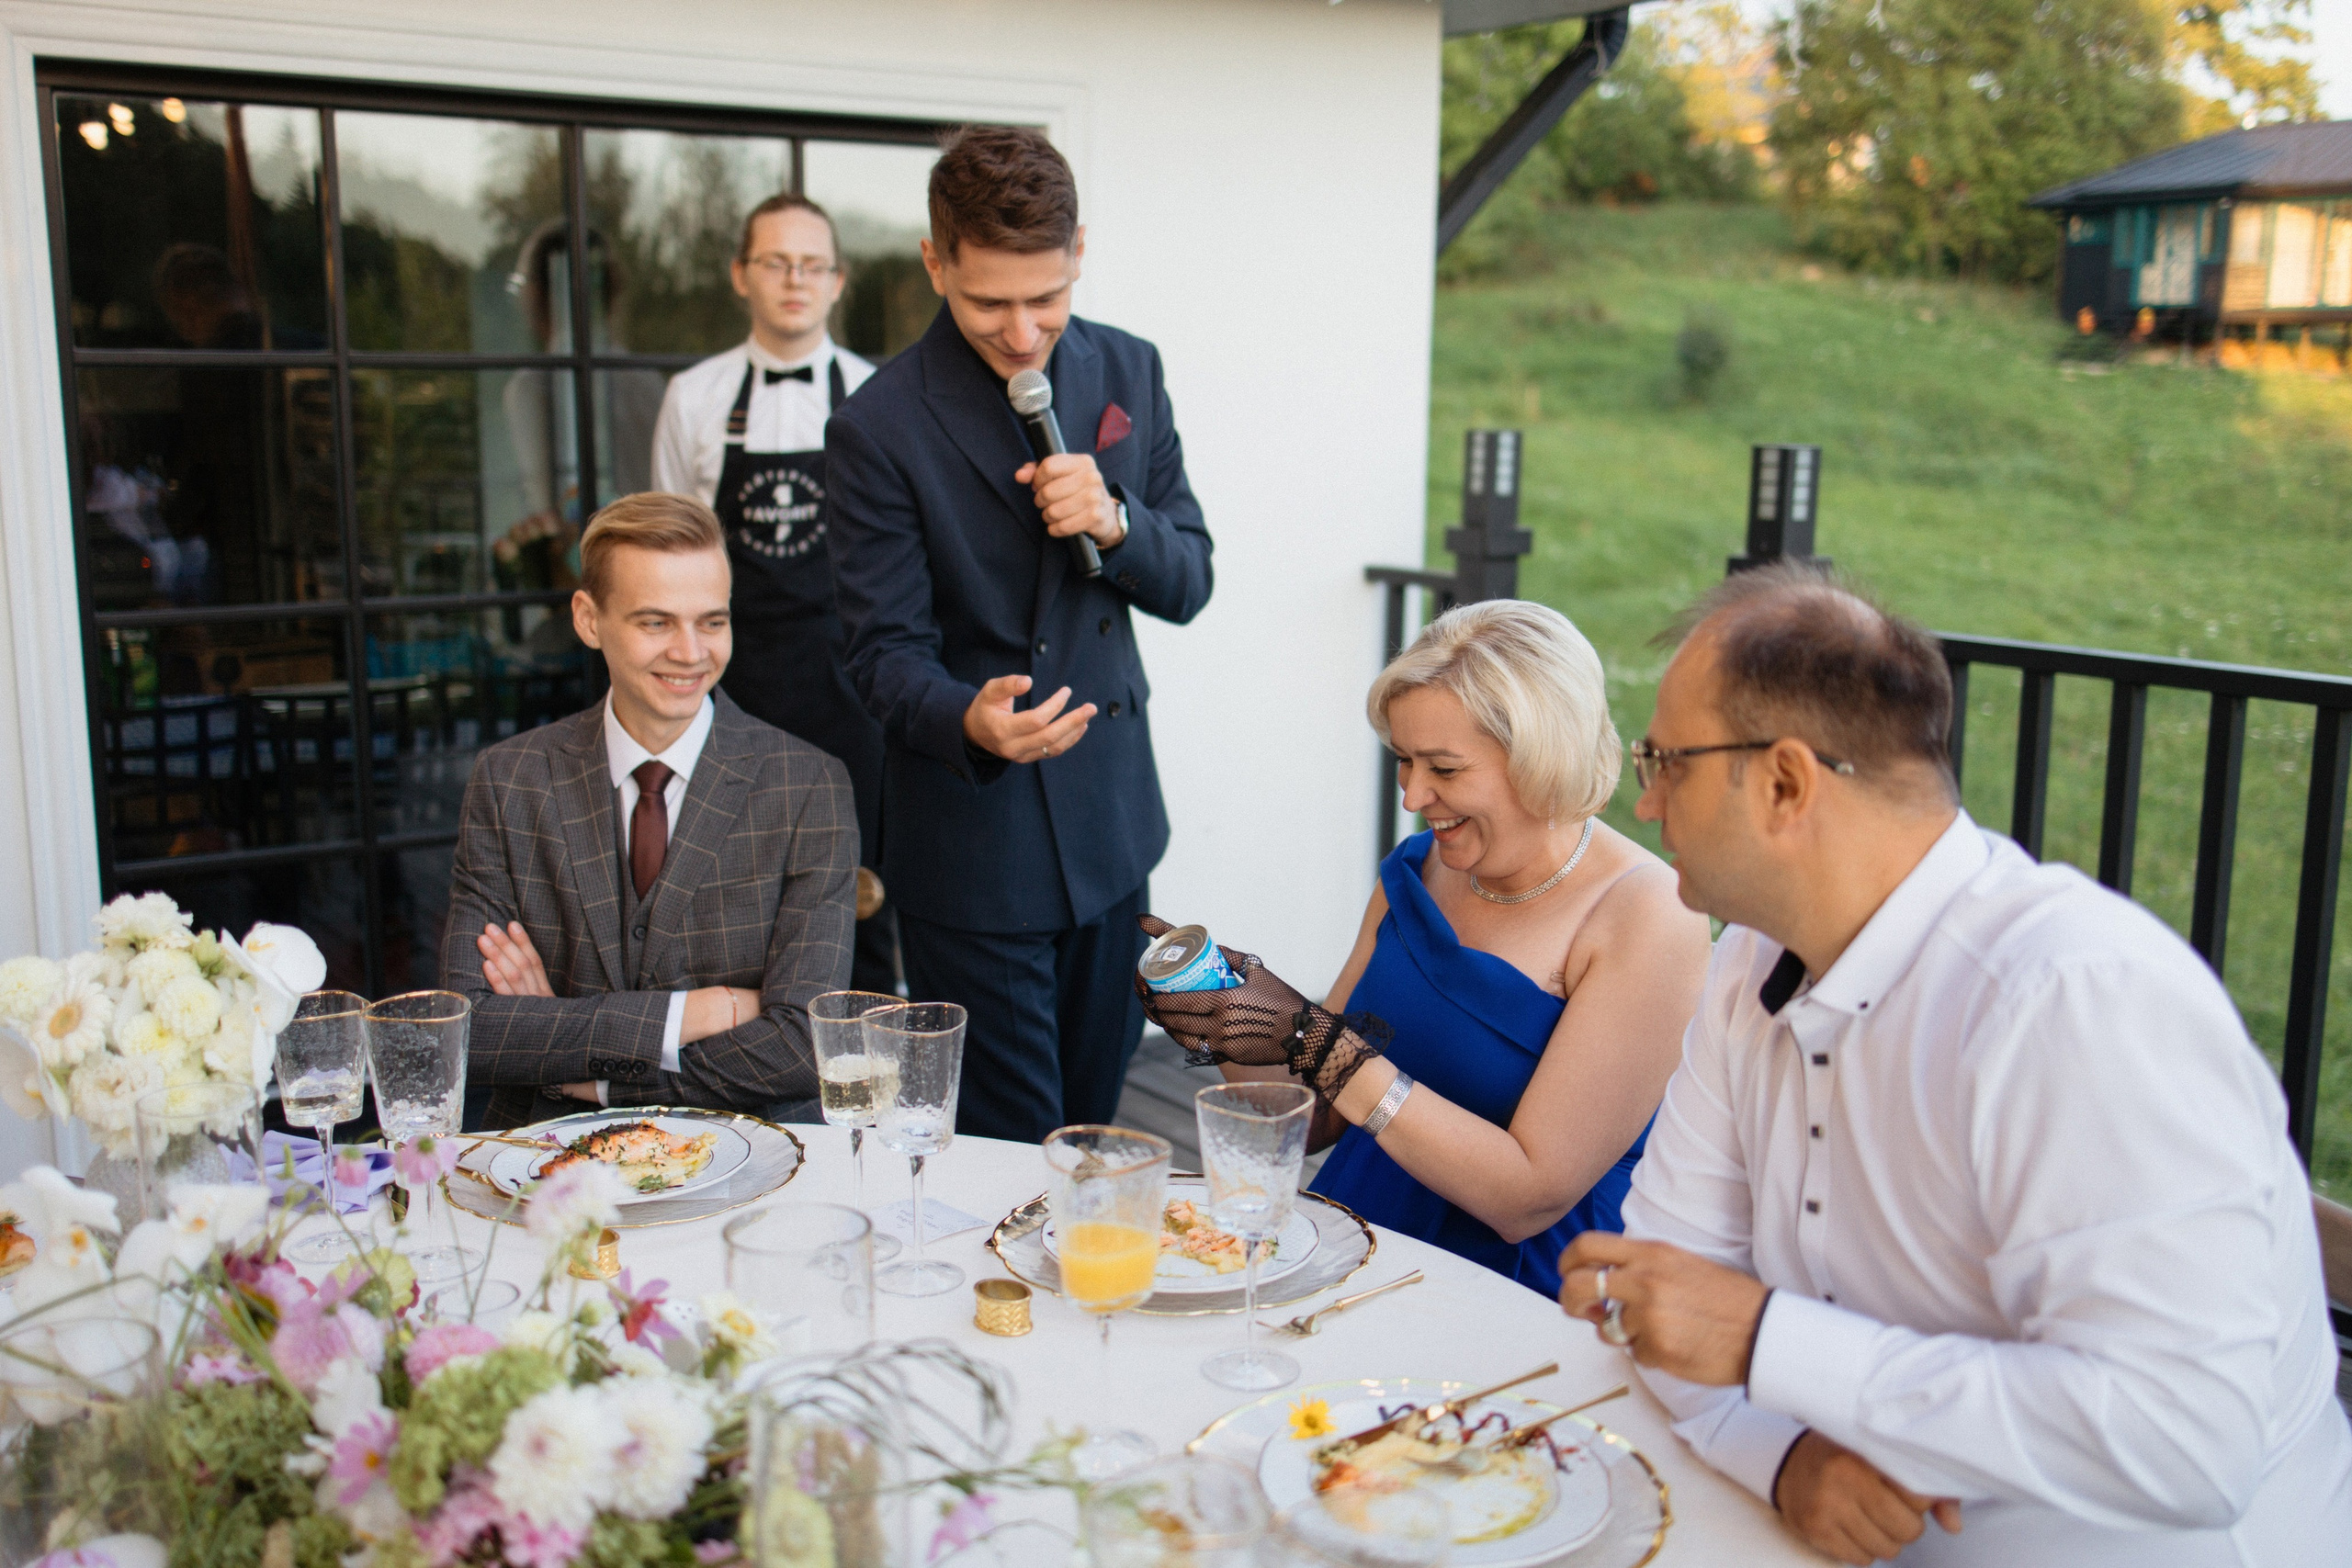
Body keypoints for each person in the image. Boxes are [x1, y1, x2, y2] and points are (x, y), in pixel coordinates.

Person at [1551, 564, 2352, 1566]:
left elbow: (2188, 1438)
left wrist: (1769, 1345)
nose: (1646, 800)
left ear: (1786, 783)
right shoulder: (1749, 959)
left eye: (1667, 762)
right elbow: (1662, 1287)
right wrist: (1783, 1455)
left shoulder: (2076, 998)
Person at [1142, 600, 1710, 1296]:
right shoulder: (1418, 870)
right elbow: (1312, 1120)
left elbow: (1527, 1198)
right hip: (1358, 1242)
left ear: (1543, 758)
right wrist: (1226, 1020)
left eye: (1444, 767)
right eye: (1405, 761)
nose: (1413, 795)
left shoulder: (1647, 915)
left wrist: (1324, 1046)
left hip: (1518, 1287)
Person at [825, 126, 1214, 1142]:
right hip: (973, 843)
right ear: (935, 263)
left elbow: (1192, 578)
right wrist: (970, 719)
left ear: (1078, 251)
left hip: (1113, 828)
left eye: (1046, 297)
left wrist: (1118, 522)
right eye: (989, 303)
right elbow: (879, 654)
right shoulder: (876, 427)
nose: (1022, 331)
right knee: (1009, 1148)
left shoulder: (1129, 368)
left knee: (1092, 1127)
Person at [441, 491, 856, 1129]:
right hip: (544, 1151)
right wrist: (695, 1013)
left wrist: (585, 1067)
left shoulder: (808, 786)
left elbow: (804, 1046)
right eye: (656, 623)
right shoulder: (510, 780)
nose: (690, 652)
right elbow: (470, 1031)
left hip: (753, 1152)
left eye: (712, 622)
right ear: (588, 620)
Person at [650, 195, 898, 996]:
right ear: (740, 274)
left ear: (837, 281)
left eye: (813, 265)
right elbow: (667, 556)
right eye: (776, 262)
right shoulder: (694, 396)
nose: (796, 280)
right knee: (730, 889)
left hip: (850, 687)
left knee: (859, 891)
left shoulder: (879, 395)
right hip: (736, 687)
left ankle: (860, 1047)